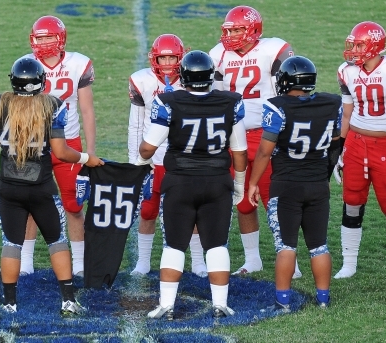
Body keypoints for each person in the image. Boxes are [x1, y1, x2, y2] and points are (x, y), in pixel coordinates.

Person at [0, 57, 103, 313]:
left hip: (9, 187)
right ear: (41, 82)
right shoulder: (52, 106)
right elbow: (61, 151)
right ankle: (68, 300)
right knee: (56, 240)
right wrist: (86, 158)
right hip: (41, 187)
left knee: (12, 243)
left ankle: (10, 303)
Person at [141, 51, 247, 319]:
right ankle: (220, 304)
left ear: (183, 76)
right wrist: (241, 183)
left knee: (174, 245)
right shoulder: (230, 101)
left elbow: (146, 150)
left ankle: (167, 304)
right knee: (217, 245)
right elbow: (240, 152)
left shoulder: (168, 101)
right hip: (217, 182)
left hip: (180, 183)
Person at [209, 5, 301, 277]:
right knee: (243, 200)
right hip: (234, 135)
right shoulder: (218, 54)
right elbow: (214, 98)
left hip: (267, 133)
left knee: (276, 197)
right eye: (230, 29)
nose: (232, 35)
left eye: (238, 29)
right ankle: (253, 259)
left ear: (253, 29)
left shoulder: (274, 50)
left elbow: (287, 92)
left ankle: (289, 259)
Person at [249, 56, 340, 310]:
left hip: (286, 184)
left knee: (286, 245)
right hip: (317, 184)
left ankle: (283, 300)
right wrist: (325, 174)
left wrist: (254, 182)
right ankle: (323, 299)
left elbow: (265, 151)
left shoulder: (277, 107)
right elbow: (335, 144)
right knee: (319, 244)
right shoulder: (331, 103)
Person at [334, 21, 386, 279]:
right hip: (356, 143)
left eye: (359, 45)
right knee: (352, 204)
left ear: (374, 46)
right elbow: (346, 114)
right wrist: (339, 149)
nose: (354, 50)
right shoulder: (346, 71)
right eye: (353, 44)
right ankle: (349, 264)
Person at [20, 15, 97, 277]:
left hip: (69, 142)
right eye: (39, 37)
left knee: (74, 205)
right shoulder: (26, 64)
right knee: (31, 202)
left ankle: (80, 262)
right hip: (35, 144)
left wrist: (90, 150)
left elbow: (86, 110)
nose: (43, 43)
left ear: (61, 38)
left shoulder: (78, 64)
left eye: (49, 37)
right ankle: (26, 262)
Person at [127, 34, 207, 277]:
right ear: (155, 58)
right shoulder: (142, 80)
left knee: (190, 211)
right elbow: (136, 124)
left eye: (173, 57)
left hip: (184, 158)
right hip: (154, 159)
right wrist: (136, 162)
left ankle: (198, 261)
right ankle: (143, 261)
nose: (168, 62)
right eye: (164, 57)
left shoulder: (192, 79)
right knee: (148, 210)